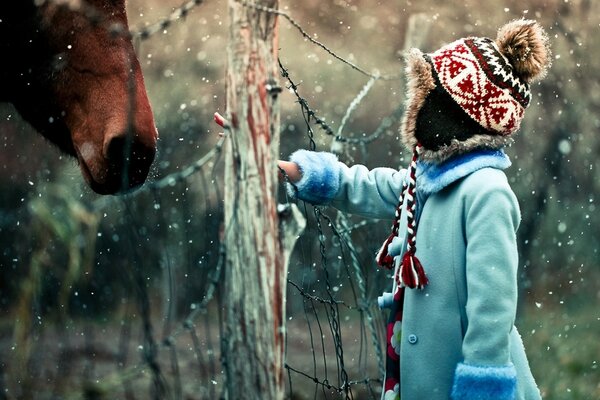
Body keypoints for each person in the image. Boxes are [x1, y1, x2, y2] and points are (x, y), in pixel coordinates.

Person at [277, 19, 551, 400]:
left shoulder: (486, 192)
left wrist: (482, 384)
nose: (419, 107)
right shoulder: (428, 181)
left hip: (461, 383)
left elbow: (493, 306)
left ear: (457, 112)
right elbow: (365, 185)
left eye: (430, 96)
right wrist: (291, 171)